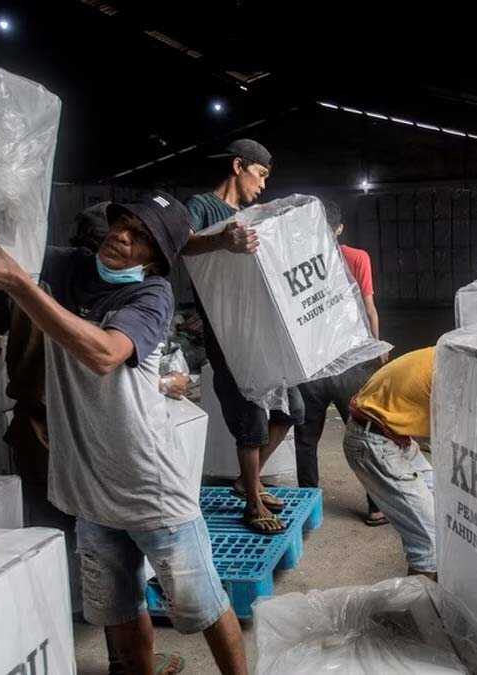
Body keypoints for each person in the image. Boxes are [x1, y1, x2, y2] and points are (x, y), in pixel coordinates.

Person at [0, 192, 246, 675]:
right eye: (122, 224)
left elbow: (105, 354)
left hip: (150, 488)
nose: (121, 237)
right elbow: (6, 243)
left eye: (140, 237)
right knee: (120, 612)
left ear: (155, 259)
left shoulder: (149, 296)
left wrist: (20, 286)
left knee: (202, 605)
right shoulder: (71, 268)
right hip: (89, 489)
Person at [343, 301, 477, 577]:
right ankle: (419, 615)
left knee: (445, 509)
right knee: (430, 540)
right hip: (373, 442)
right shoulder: (461, 367)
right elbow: (465, 437)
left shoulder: (465, 355)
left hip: (392, 436)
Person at [182, 139, 304, 534]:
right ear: (239, 166)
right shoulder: (202, 207)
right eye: (261, 174)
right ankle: (253, 503)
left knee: (292, 410)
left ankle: (245, 481)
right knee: (249, 414)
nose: (264, 185)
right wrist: (221, 240)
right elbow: (180, 243)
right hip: (228, 329)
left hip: (265, 326)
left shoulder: (253, 215)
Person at [293, 200, 389, 526]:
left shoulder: (299, 264)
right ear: (339, 228)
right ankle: (376, 506)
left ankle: (308, 510)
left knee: (306, 439)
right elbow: (369, 307)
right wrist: (378, 351)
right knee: (364, 433)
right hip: (349, 363)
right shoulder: (357, 257)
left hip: (311, 365)